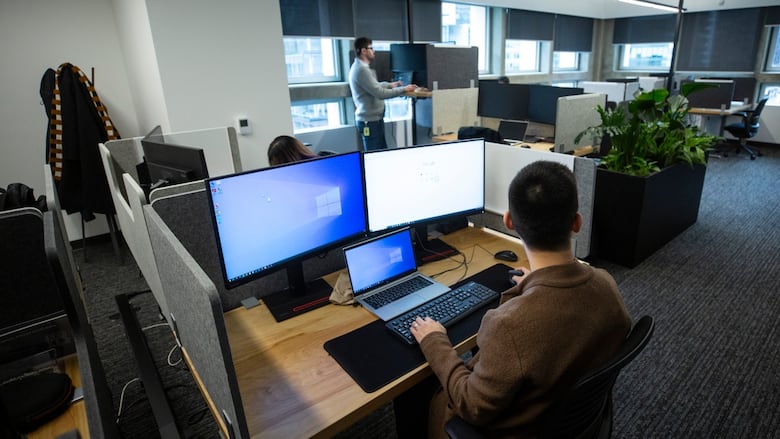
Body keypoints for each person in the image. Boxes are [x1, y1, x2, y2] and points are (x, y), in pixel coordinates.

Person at [398, 161, 632, 438]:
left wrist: (434, 340)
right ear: (577, 223)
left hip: (510, 429)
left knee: (413, 391)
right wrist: (535, 284)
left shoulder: (509, 325)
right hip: (563, 419)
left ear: (508, 221)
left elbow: (471, 405)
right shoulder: (607, 285)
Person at [349, 37, 417, 151]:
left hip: (373, 120)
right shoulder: (361, 70)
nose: (374, 51)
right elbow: (380, 93)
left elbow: (373, 86)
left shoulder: (361, 68)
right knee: (374, 156)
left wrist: (390, 85)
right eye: (371, 48)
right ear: (363, 51)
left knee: (380, 153)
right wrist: (404, 89)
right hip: (369, 122)